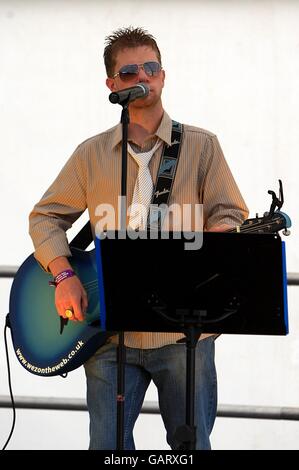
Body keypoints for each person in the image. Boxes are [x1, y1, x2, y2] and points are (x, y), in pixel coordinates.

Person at [29, 26, 248, 450]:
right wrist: (62, 275)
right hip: (110, 334)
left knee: (192, 446)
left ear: (164, 76)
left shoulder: (202, 147)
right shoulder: (89, 155)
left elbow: (231, 214)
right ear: (112, 85)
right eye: (130, 72)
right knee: (107, 448)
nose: (142, 77)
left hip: (185, 337)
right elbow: (44, 217)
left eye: (151, 68)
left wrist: (221, 236)